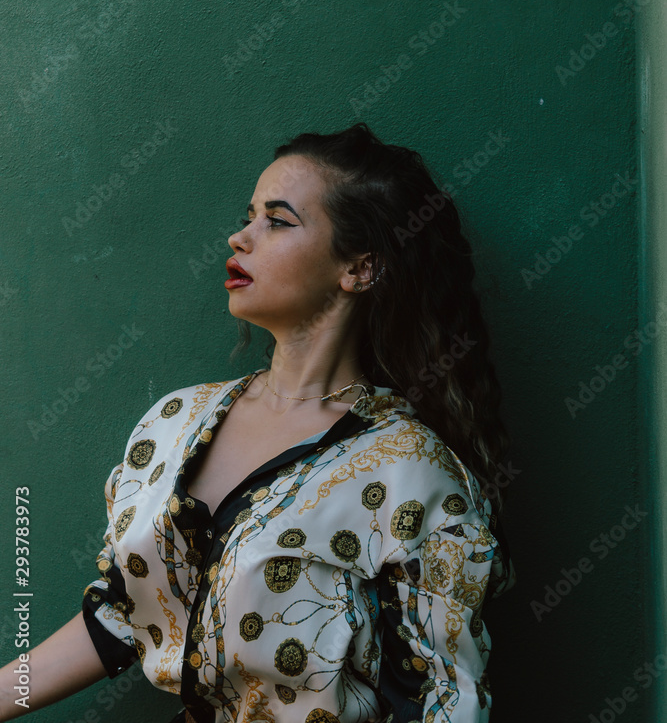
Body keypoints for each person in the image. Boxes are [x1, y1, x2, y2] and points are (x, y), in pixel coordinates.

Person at [0, 122, 516, 722]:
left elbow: (444, 701)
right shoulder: (174, 422)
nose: (240, 237)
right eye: (248, 216)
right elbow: (121, 618)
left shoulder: (410, 472)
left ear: (360, 268)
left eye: (277, 221)